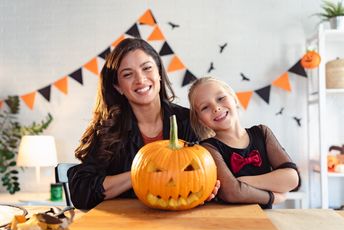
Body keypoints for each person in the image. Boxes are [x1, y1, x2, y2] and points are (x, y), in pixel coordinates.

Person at [68, 38, 219, 209]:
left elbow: (209, 172)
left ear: (159, 73)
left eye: (147, 68)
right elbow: (81, 191)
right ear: (118, 87)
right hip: (127, 225)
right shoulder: (106, 130)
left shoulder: (189, 121)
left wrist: (210, 188)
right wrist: (141, 175)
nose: (140, 79)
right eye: (127, 74)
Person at [188, 77, 300, 208]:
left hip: (266, 219)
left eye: (220, 98)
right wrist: (273, 197)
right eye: (205, 107)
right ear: (200, 120)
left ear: (234, 99)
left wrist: (243, 182)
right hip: (229, 221)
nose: (216, 108)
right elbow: (232, 192)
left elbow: (292, 179)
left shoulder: (262, 133)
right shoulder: (208, 148)